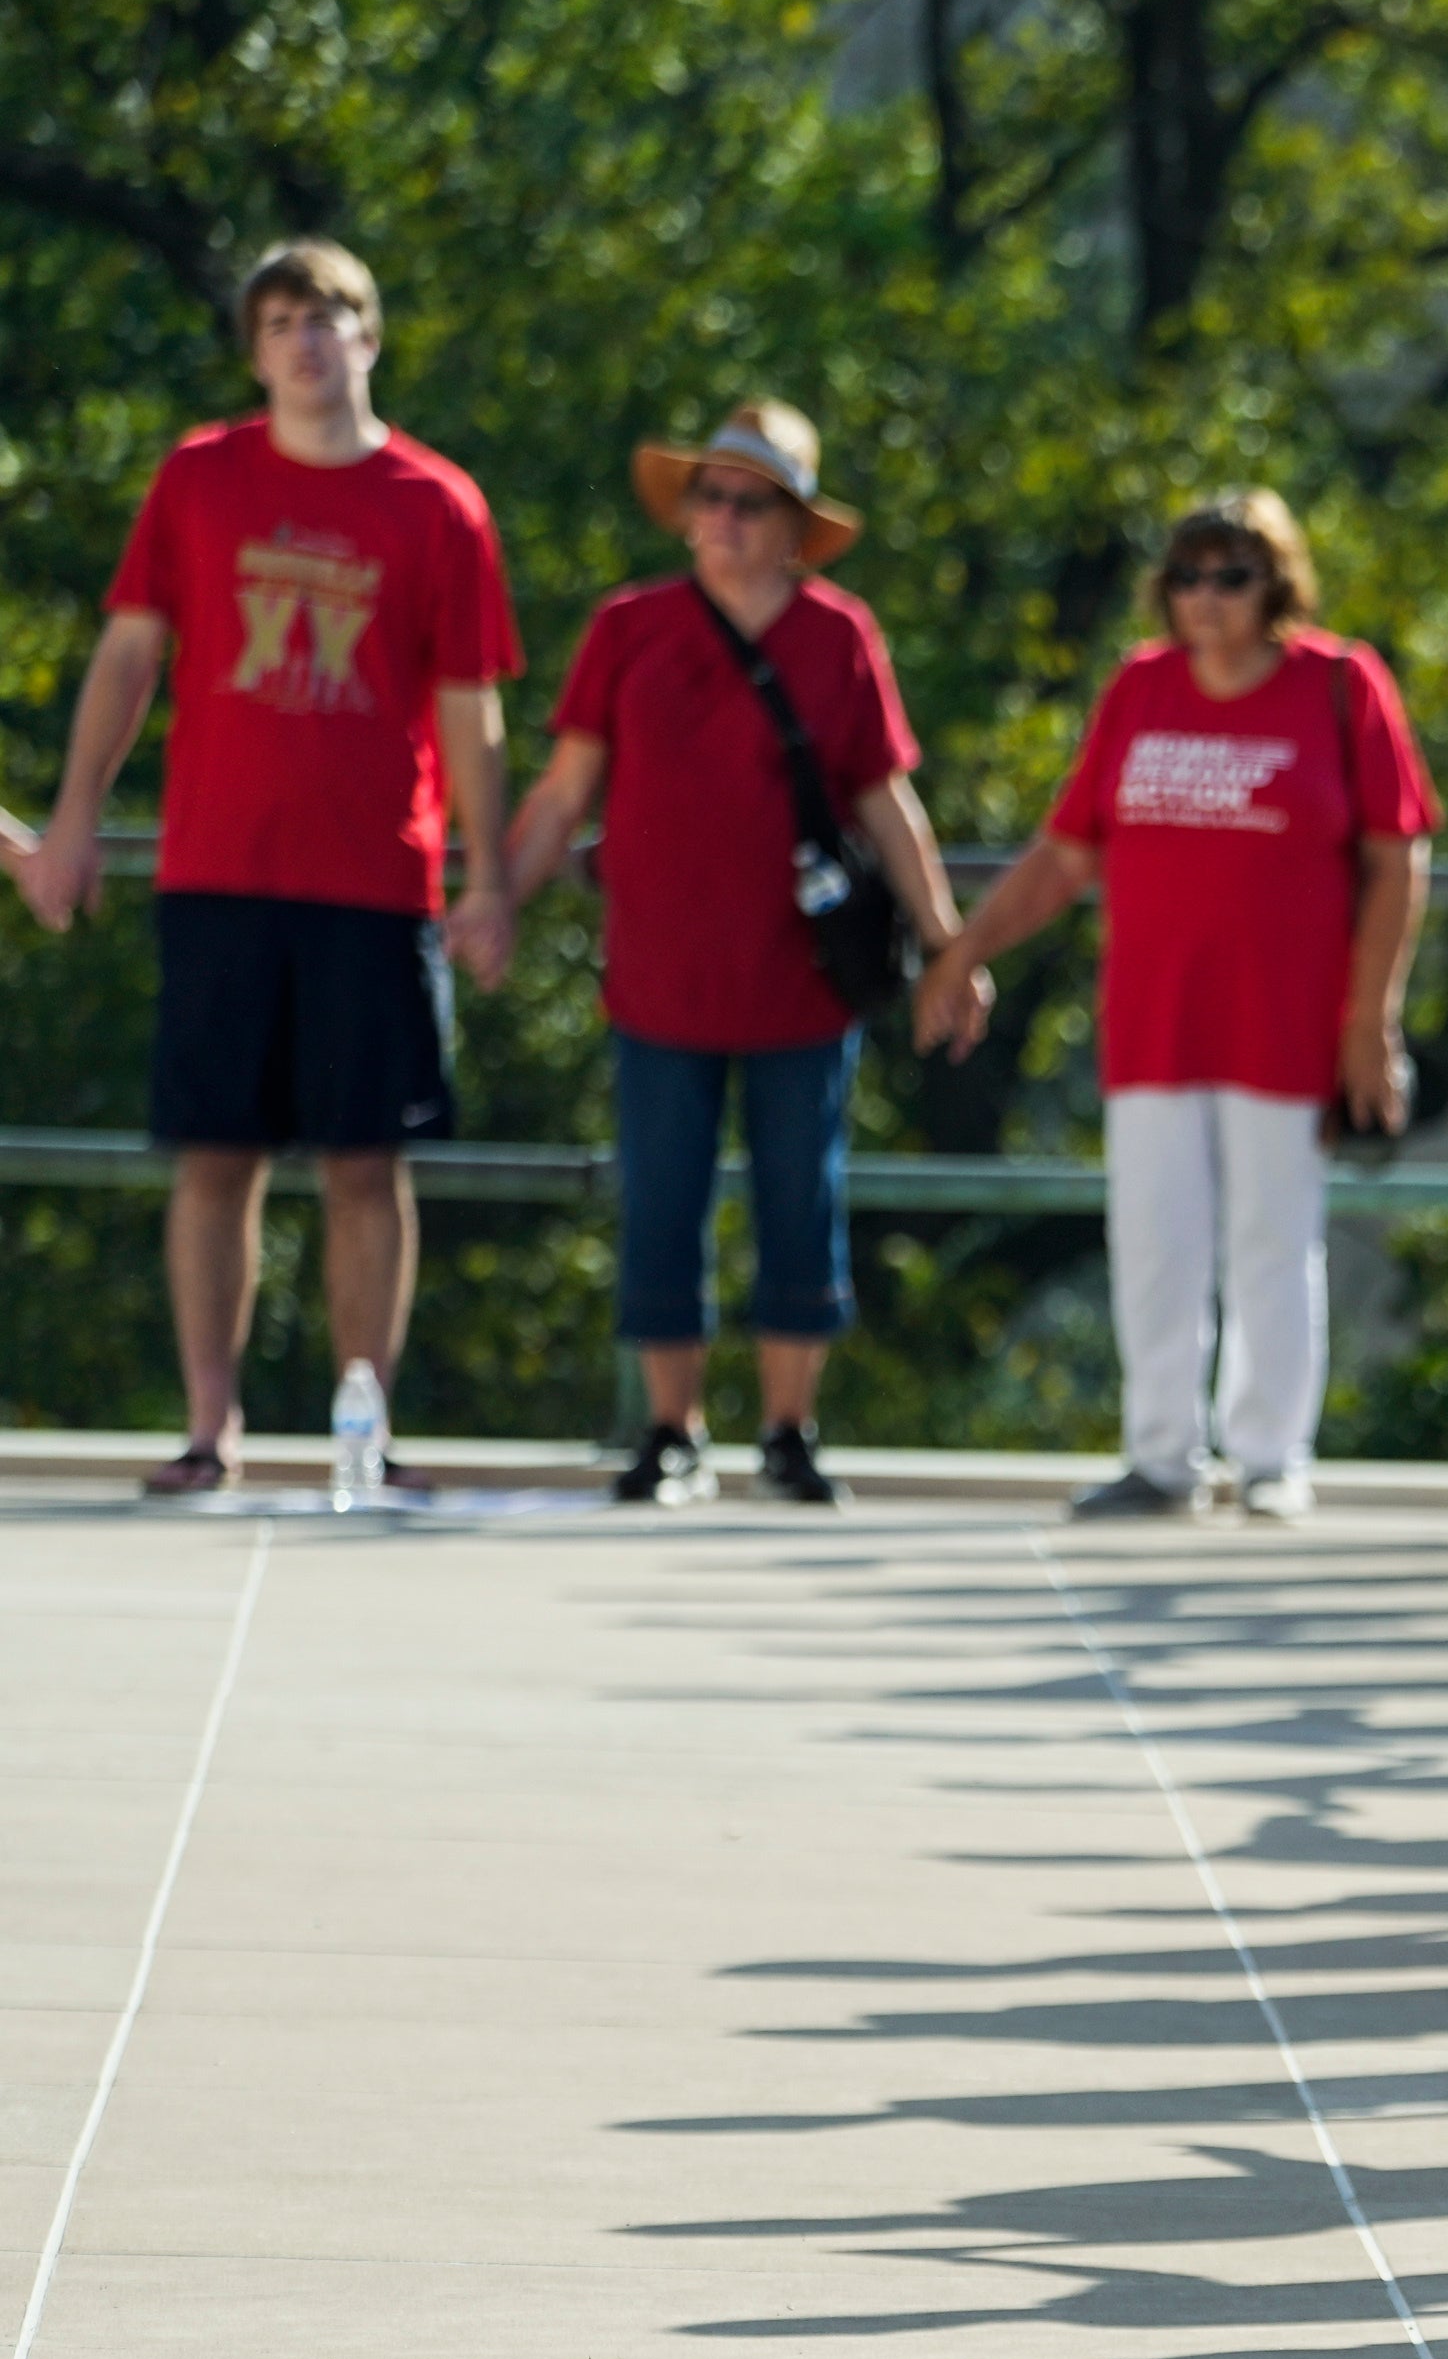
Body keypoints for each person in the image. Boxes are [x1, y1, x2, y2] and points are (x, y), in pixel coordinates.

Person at [24, 238, 517, 1500]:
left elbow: (470, 709)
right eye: (283, 319)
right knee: (216, 1157)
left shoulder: (437, 501)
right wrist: (76, 815)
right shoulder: (200, 477)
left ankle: (366, 1423)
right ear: (257, 350)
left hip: (376, 882)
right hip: (218, 871)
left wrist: (487, 877)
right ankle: (211, 1428)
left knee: (367, 1164)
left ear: (371, 335)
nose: (308, 340)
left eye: (331, 315)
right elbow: (131, 657)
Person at [918, 490, 1432, 1522]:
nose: (1207, 597)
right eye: (1189, 576)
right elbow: (1068, 851)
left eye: (1232, 575)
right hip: (1154, 1019)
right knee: (1154, 1241)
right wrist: (965, 948)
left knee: (1272, 1240)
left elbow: (1396, 858)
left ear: (1275, 583)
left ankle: (1270, 1456)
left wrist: (1368, 1018)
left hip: (1285, 1020)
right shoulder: (1142, 689)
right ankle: (1160, 1454)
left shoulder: (1339, 685)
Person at [504, 397, 955, 1510]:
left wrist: (950, 943)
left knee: (803, 1200)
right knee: (663, 1200)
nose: (725, 517)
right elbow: (565, 789)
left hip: (803, 983)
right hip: (660, 972)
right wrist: (492, 898)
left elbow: (883, 797)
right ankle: (670, 1429)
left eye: (751, 502)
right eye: (711, 495)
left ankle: (791, 1430)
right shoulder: (629, 627)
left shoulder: (839, 634)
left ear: (794, 525)